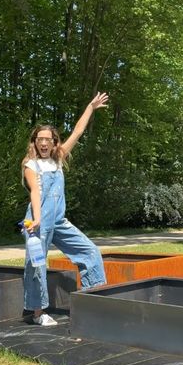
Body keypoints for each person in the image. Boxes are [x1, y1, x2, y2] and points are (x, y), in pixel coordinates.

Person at [21, 92, 108, 326]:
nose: (44, 142)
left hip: (58, 222)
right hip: (35, 224)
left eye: (48, 139)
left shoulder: (58, 159)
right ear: (35, 142)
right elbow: (35, 192)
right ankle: (38, 314)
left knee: (91, 252)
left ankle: (93, 302)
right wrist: (37, 220)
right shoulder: (31, 164)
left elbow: (78, 132)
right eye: (40, 139)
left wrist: (90, 107)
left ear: (54, 142)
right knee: (37, 266)